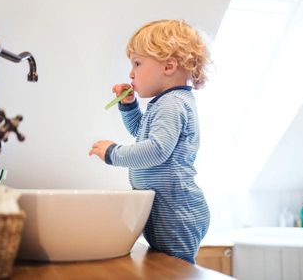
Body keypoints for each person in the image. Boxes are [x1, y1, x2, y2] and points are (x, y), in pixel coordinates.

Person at [89, 19, 211, 264]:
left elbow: (156, 151)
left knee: (175, 272)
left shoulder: (172, 103)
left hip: (177, 211)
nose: (131, 73)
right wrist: (129, 106)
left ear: (168, 66)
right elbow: (141, 133)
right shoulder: (167, 102)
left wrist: (113, 153)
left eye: (137, 63)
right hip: (170, 207)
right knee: (167, 269)